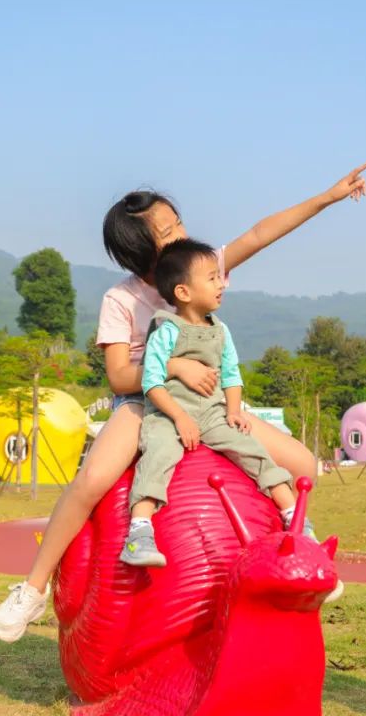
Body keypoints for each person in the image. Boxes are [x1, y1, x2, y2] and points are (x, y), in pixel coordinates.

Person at [0, 164, 366, 642]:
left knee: (301, 461)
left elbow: (259, 233)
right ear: (140, 251)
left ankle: (292, 556)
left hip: (210, 404)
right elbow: (118, 374)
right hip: (144, 401)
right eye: (169, 232)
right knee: (93, 480)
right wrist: (174, 367)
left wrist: (328, 197)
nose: (183, 235)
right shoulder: (122, 299)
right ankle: (33, 588)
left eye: (179, 223)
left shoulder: (201, 268)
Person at [121, 239, 301, 567]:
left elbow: (232, 375)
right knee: (160, 453)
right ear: (183, 292)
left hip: (212, 411)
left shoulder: (221, 331)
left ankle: (295, 518)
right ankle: (139, 531)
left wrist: (233, 410)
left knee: (252, 450)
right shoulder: (166, 330)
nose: (221, 284)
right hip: (168, 412)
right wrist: (179, 418)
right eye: (212, 278)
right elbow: (152, 383)